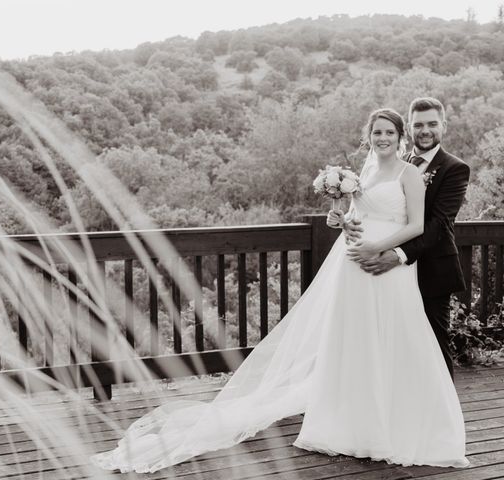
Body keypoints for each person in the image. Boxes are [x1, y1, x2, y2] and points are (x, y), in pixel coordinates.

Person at [90, 107, 469, 473]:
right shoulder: (365, 173)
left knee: (398, 339)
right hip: (353, 265)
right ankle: (356, 424)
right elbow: (360, 215)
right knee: (355, 340)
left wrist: (378, 247)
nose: (383, 138)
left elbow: (418, 224)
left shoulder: (409, 174)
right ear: (368, 138)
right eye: (377, 132)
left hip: (388, 266)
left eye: (389, 132)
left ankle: (401, 421)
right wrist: (342, 219)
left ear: (400, 137)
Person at [342, 97, 471, 380]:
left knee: (433, 345)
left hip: (430, 270)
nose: (425, 130)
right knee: (394, 344)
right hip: (389, 275)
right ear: (409, 129)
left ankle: (440, 413)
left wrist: (396, 254)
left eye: (432, 124)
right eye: (419, 125)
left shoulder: (454, 168)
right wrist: (348, 225)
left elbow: (437, 225)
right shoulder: (395, 163)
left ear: (444, 126)